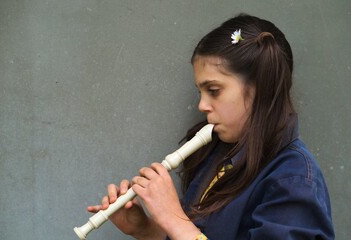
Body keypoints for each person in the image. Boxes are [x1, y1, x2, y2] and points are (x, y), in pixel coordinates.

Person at [87, 14, 335, 239]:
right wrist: (148, 230)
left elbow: (187, 232)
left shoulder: (294, 179)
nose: (202, 105)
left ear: (262, 88)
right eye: (200, 92)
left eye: (214, 91)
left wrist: (176, 220)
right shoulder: (218, 154)